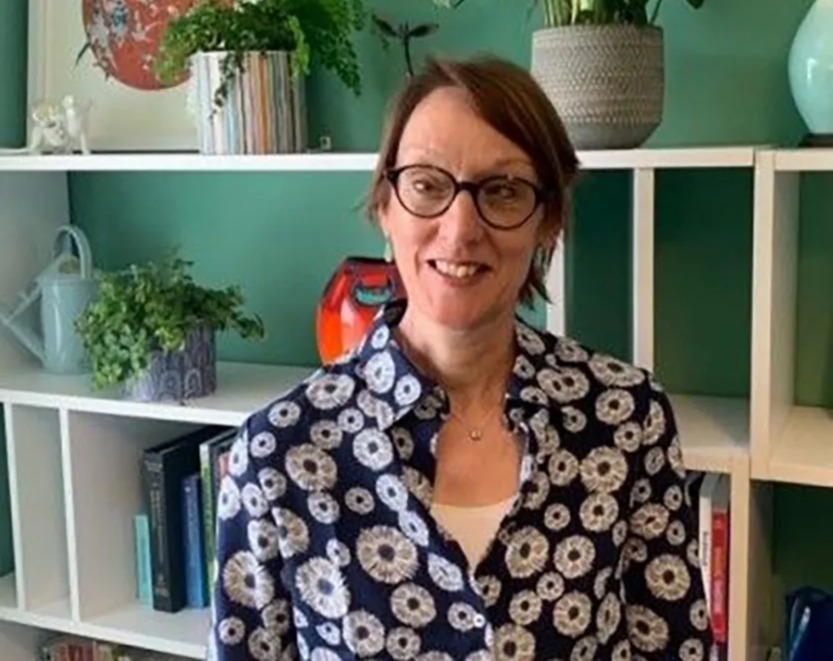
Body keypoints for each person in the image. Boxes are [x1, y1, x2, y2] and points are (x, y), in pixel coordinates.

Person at [209, 54, 714, 660]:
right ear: (385, 208)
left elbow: (675, 649)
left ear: (547, 221)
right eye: (427, 184)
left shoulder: (627, 420)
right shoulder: (280, 455)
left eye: (502, 191)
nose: (460, 228)